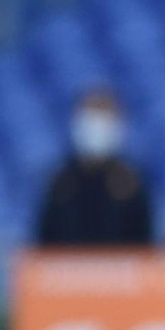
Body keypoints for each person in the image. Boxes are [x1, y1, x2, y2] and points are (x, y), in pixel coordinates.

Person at [36, 87, 153, 246]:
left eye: (104, 118)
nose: (97, 127)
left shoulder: (132, 183)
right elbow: (42, 242)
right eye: (91, 116)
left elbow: (145, 246)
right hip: (66, 269)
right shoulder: (60, 181)